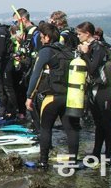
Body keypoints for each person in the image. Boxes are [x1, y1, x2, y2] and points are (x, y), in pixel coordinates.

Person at [25, 22, 80, 168]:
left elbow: (36, 75)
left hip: (52, 98)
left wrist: (29, 96)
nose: (41, 40)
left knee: (45, 128)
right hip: (69, 97)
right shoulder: (69, 51)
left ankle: (43, 161)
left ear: (47, 37)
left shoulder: (46, 51)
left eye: (42, 37)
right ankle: (73, 162)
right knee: (71, 129)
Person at [76, 21, 111, 162]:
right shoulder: (90, 47)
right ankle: (96, 152)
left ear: (87, 34)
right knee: (98, 123)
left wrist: (85, 54)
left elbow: (92, 68)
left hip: (103, 90)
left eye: (79, 34)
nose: (78, 36)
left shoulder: (98, 48)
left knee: (106, 123)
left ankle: (108, 155)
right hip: (92, 90)